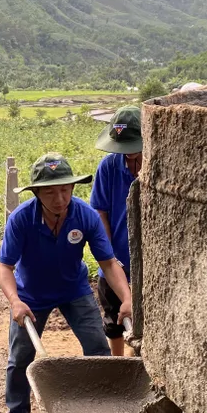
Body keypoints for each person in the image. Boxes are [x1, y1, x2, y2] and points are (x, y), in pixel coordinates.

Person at [0, 153, 133, 413]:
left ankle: (106, 406)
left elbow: (108, 262)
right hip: (31, 294)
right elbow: (5, 267)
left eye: (65, 190)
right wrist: (15, 301)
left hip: (74, 289)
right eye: (50, 191)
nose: (59, 198)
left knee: (98, 347)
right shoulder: (22, 219)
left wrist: (127, 297)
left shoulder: (85, 216)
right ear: (36, 193)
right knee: (21, 356)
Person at [90, 106, 142, 356]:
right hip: (116, 258)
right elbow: (100, 212)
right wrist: (109, 257)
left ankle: (137, 368)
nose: (128, 156)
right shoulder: (108, 167)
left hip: (149, 263)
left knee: (145, 322)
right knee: (114, 320)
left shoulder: (158, 166)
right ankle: (117, 364)